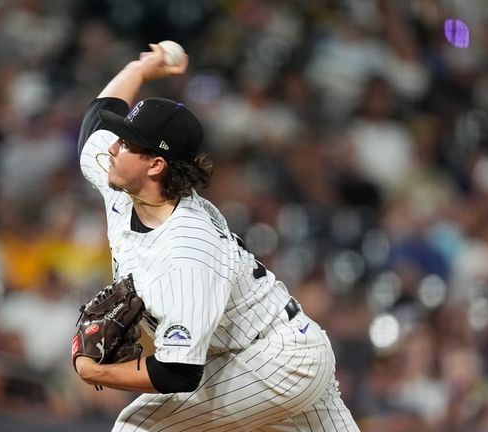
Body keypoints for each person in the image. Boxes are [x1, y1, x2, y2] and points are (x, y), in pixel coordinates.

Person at [73, 42, 362, 432]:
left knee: (137, 428)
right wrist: (141, 70)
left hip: (275, 360)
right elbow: (95, 122)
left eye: (125, 143)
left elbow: (178, 372)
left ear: (156, 165)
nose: (112, 146)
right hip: (277, 350)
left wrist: (95, 371)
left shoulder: (188, 247)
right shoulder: (123, 186)